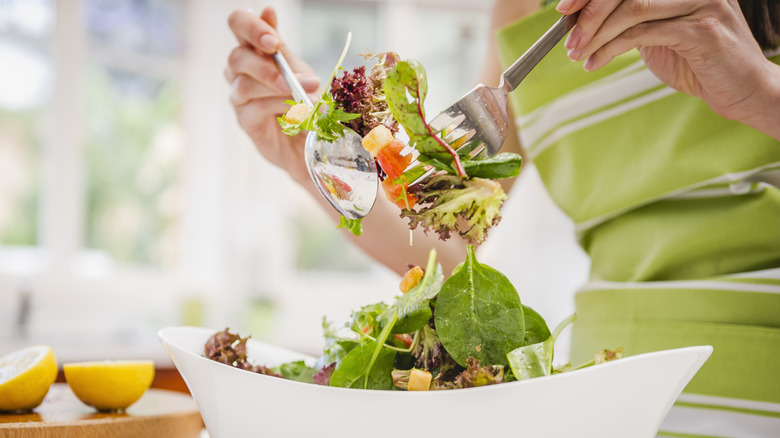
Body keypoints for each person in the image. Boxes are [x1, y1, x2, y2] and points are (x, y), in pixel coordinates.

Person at [225, 1, 780, 436]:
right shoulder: (521, 7)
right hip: (609, 397)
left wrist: (761, 92)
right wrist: (314, 165)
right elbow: (448, 244)